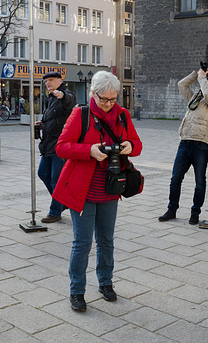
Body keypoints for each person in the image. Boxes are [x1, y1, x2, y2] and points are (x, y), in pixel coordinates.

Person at [53, 71, 142, 312]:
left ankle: (105, 283)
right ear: (93, 94)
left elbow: (138, 144)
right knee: (82, 243)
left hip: (111, 187)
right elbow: (61, 147)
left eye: (113, 99)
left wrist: (129, 146)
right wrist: (89, 150)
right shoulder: (80, 114)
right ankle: (77, 290)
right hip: (82, 190)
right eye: (104, 99)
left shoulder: (122, 116)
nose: (109, 104)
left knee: (106, 240)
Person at [158, 66, 208, 225]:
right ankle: (171, 210)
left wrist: (202, 78)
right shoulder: (195, 98)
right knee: (175, 178)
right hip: (185, 142)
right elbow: (181, 85)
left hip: (201, 146)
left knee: (199, 182)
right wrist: (196, 74)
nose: (207, 81)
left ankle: (195, 213)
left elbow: (207, 93)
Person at [37, 71, 76, 223]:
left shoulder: (65, 94)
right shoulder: (51, 98)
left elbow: (70, 101)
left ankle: (55, 211)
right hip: (48, 144)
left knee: (56, 179)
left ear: (60, 80)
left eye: (51, 80)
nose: (48, 83)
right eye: (46, 81)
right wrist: (41, 124)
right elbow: (52, 117)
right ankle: (62, 202)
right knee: (42, 173)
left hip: (60, 145)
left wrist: (63, 96)